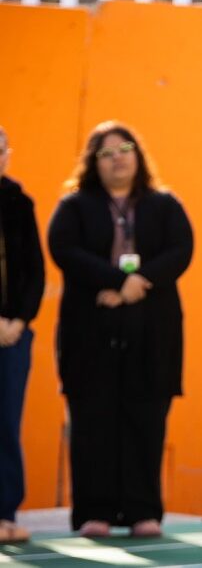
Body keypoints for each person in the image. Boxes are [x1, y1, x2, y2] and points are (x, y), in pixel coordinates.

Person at [48, 122, 193, 538]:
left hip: (152, 333)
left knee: (146, 418)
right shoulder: (74, 206)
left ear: (138, 154)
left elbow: (181, 249)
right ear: (94, 163)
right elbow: (63, 249)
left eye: (125, 149)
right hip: (89, 332)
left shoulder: (164, 204)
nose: (117, 158)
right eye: (107, 153)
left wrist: (136, 284)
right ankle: (95, 512)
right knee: (93, 420)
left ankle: (143, 511)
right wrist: (114, 282)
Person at [0, 127, 45, 544]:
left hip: (13, 336)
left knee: (6, 422)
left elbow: (35, 271)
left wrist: (18, 321)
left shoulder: (19, 202)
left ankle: (6, 512)